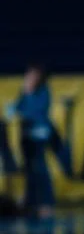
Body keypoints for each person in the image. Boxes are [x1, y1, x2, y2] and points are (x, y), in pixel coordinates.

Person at [6, 65, 56, 218]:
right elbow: (15, 108)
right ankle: (31, 202)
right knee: (29, 170)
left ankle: (47, 203)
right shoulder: (26, 92)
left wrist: (20, 109)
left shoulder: (43, 92)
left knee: (40, 169)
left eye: (33, 76)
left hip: (38, 136)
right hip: (26, 136)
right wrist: (13, 109)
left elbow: (36, 113)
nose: (29, 79)